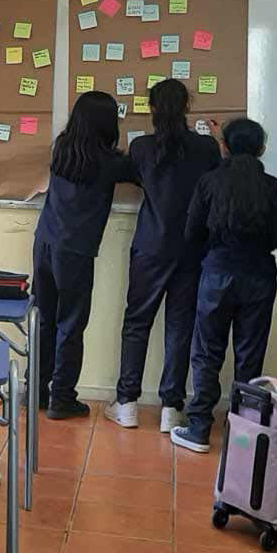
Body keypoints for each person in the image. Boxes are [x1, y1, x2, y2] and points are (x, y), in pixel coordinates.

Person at [169, 118, 277, 453]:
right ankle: (243, 433)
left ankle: (198, 429)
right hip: (260, 276)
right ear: (261, 148)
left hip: (217, 274)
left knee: (207, 353)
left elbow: (191, 233)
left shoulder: (209, 182)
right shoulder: (272, 187)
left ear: (224, 146)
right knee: (250, 356)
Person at [106, 80, 219, 431]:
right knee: (180, 327)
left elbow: (126, 173)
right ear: (188, 107)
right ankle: (171, 407)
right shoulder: (206, 148)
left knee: (137, 323)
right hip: (192, 248)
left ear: (152, 109)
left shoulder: (141, 147)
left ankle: (127, 403)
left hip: (151, 246)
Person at [33, 91, 136, 420]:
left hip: (44, 242)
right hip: (75, 252)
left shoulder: (61, 149)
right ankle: (62, 397)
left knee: (45, 320)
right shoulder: (110, 163)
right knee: (71, 324)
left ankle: (36, 391)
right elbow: (142, 171)